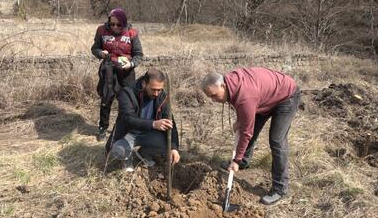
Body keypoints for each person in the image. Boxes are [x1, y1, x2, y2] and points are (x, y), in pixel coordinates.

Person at [201, 67, 301, 205]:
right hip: (264, 97)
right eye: (209, 97)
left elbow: (246, 131)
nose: (213, 100)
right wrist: (240, 120)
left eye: (214, 95)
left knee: (276, 140)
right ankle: (243, 161)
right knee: (246, 128)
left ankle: (280, 188)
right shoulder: (231, 83)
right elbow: (243, 110)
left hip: (286, 96)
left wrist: (234, 160)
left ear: (223, 86)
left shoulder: (245, 96)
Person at [105, 68, 180, 172]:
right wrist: (153, 124)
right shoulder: (127, 92)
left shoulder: (162, 96)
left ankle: (144, 153)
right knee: (119, 151)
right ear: (144, 83)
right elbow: (128, 119)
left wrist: (174, 148)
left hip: (149, 134)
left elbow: (171, 123)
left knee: (167, 144)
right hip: (128, 134)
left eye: (159, 90)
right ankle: (127, 158)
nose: (157, 93)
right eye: (153, 89)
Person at [91, 8, 143, 141]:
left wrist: (131, 64)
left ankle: (126, 129)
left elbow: (138, 55)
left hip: (126, 71)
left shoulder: (132, 33)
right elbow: (94, 48)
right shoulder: (101, 30)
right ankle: (103, 127)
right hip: (108, 68)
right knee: (106, 98)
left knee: (127, 101)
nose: (115, 27)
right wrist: (100, 53)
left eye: (118, 24)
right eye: (112, 24)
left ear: (124, 23)